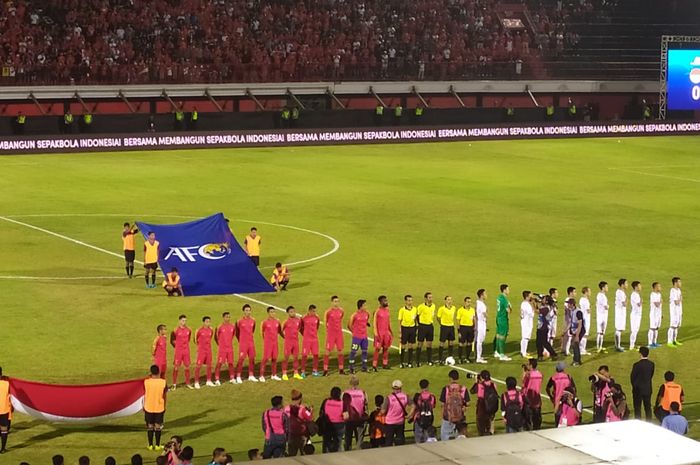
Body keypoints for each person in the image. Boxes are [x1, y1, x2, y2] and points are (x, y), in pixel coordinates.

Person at [381, 380, 413, 446]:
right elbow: (414, 406)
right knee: (400, 441)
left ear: (392, 388)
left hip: (389, 423)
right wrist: (409, 415)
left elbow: (383, 411)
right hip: (400, 422)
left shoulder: (388, 398)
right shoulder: (405, 396)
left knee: (389, 442)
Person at [439, 370, 470, 441]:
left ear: (450, 378)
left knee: (445, 438)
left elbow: (442, 404)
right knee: (459, 439)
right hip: (460, 418)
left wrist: (442, 416)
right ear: (458, 378)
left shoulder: (446, 388)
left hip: (447, 418)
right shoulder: (463, 388)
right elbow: (468, 403)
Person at [144, 365, 167, 451]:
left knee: (150, 426)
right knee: (157, 426)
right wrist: (165, 406)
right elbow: (164, 395)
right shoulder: (163, 382)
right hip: (159, 407)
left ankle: (150, 445)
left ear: (150, 372)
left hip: (149, 406)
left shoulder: (146, 382)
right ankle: (157, 445)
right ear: (159, 372)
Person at [343, 376, 368, 450]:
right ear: (358, 383)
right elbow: (366, 405)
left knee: (348, 439)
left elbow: (342, 406)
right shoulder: (363, 393)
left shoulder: (345, 393)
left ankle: (348, 452)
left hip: (349, 419)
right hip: (360, 419)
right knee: (360, 439)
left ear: (350, 383)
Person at [286, 389, 314, 456]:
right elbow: (311, 418)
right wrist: (311, 411)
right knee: (304, 455)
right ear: (300, 398)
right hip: (302, 436)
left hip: (291, 435)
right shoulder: (303, 409)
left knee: (292, 456)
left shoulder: (286, 409)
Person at [630, 346, 655, 421]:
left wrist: (634, 386)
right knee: (648, 407)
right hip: (647, 389)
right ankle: (649, 423)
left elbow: (632, 377)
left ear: (640, 353)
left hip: (638, 390)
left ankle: (638, 423)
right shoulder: (651, 364)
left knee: (637, 408)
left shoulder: (636, 365)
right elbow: (651, 375)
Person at [470, 370, 498, 436]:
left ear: (482, 378)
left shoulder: (480, 386)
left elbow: (472, 391)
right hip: (491, 409)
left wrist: (476, 382)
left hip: (482, 410)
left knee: (481, 430)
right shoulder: (493, 385)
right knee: (489, 429)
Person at [260, 306, 283, 382]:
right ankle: (261, 376)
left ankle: (274, 375)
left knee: (274, 359)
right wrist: (266, 341)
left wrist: (285, 337)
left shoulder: (277, 321)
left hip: (275, 343)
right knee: (265, 359)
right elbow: (262, 333)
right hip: (268, 344)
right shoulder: (265, 322)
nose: (273, 313)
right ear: (268, 313)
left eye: (274, 312)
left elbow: (280, 331)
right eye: (271, 312)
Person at [324, 296, 345, 376]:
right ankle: (325, 370)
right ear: (332, 302)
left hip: (339, 334)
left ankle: (341, 369)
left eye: (338, 301)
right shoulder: (328, 312)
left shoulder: (341, 311)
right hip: (331, 334)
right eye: (335, 301)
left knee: (340, 351)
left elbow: (341, 318)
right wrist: (329, 331)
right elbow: (325, 322)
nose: (336, 303)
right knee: (327, 351)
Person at [235, 304, 257, 383]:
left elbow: (252, 330)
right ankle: (238, 376)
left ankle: (251, 375)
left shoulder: (253, 320)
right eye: (246, 310)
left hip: (251, 343)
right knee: (241, 359)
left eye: (249, 310)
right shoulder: (239, 321)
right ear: (243, 311)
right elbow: (236, 332)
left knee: (252, 359)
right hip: (243, 344)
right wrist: (240, 340)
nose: (248, 312)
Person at [170, 315, 193, 390]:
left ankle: (188, 383)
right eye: (183, 321)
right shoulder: (175, 330)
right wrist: (177, 347)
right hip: (178, 352)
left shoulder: (189, 330)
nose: (184, 322)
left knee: (187, 367)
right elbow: (172, 340)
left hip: (186, 351)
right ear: (179, 321)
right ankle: (174, 384)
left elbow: (188, 339)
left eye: (185, 321)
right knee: (176, 367)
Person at [348, 299, 370, 373]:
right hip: (356, 338)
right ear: (361, 306)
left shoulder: (367, 314)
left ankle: (364, 367)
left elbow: (366, 321)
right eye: (365, 305)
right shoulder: (354, 315)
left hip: (364, 337)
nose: (366, 306)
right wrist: (354, 333)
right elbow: (349, 325)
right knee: (353, 352)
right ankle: (351, 368)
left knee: (365, 352)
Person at [320, 387, 345, 452]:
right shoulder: (342, 403)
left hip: (328, 424)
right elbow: (346, 416)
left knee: (326, 442)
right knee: (339, 443)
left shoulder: (326, 401)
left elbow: (321, 413)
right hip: (339, 425)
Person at [214, 312, 236, 385]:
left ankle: (232, 378)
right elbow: (215, 337)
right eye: (226, 317)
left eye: (229, 317)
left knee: (231, 363)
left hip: (230, 348)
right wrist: (220, 345)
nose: (228, 318)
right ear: (223, 318)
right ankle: (217, 379)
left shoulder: (232, 326)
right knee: (219, 363)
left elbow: (232, 335)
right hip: (222, 349)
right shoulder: (219, 327)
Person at [282, 306, 303, 380]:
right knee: (286, 358)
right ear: (288, 313)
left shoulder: (298, 320)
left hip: (295, 342)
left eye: (294, 311)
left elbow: (299, 328)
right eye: (291, 312)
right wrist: (285, 337)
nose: (293, 313)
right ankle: (284, 373)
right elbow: (281, 330)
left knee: (296, 358)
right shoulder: (286, 322)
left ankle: (296, 373)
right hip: (288, 343)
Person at [521, 358, 543, 430]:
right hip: (537, 399)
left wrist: (524, 373)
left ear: (531, 365)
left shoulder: (528, 375)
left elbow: (523, 384)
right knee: (537, 420)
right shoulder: (540, 374)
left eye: (528, 364)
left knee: (527, 421)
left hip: (528, 400)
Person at [413, 379, 437, 444]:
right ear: (428, 386)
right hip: (429, 419)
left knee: (418, 439)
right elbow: (433, 406)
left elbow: (415, 407)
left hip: (419, 419)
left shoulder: (417, 396)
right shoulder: (432, 396)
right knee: (428, 438)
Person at [373, 295, 393, 370]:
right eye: (385, 301)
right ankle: (374, 365)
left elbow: (388, 322)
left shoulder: (387, 310)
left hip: (386, 333)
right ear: (380, 302)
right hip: (379, 333)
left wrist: (390, 332)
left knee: (386, 348)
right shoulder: (377, 311)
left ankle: (385, 364)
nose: (386, 302)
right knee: (377, 349)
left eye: (386, 300)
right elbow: (374, 323)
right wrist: (376, 333)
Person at [416, 292, 436, 366]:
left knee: (429, 344)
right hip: (422, 326)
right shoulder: (421, 307)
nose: (431, 299)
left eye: (431, 297)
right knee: (420, 344)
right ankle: (418, 361)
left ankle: (429, 360)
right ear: (425, 298)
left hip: (430, 326)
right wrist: (419, 325)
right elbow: (417, 316)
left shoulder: (433, 306)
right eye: (429, 297)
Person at [194, 316, 214, 389]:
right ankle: (196, 382)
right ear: (203, 322)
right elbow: (195, 340)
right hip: (201, 351)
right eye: (207, 322)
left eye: (209, 321)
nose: (208, 323)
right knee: (198, 366)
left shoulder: (211, 330)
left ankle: (208, 381)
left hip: (208, 350)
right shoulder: (198, 330)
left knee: (209, 365)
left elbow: (210, 337)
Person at [301, 304, 321, 377]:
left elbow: (317, 326)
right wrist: (304, 334)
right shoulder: (304, 318)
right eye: (313, 311)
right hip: (307, 340)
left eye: (315, 311)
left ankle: (315, 371)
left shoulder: (317, 318)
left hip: (314, 339)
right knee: (304, 355)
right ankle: (303, 372)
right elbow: (300, 327)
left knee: (316, 355)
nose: (314, 312)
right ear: (309, 310)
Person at [398, 295, 418, 368]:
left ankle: (409, 362)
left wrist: (416, 329)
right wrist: (400, 331)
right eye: (409, 300)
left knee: (410, 346)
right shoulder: (402, 310)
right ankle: (402, 362)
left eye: (411, 300)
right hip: (405, 328)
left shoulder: (415, 309)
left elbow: (416, 320)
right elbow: (400, 321)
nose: (410, 302)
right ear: (406, 301)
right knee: (403, 346)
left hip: (412, 328)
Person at [536, 296, 557, 360]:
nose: (542, 300)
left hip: (544, 327)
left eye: (544, 299)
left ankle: (553, 354)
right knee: (539, 342)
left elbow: (537, 311)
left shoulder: (547, 308)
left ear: (547, 301)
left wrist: (532, 303)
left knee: (544, 342)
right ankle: (540, 356)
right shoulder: (546, 307)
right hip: (541, 326)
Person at [495, 284, 512, 361]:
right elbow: (508, 310)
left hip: (498, 318)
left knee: (498, 335)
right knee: (502, 336)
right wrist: (510, 307)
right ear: (504, 290)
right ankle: (502, 354)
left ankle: (497, 351)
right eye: (508, 289)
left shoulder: (499, 297)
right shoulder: (504, 299)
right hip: (503, 319)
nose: (509, 291)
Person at [437, 296, 457, 363]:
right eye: (448, 300)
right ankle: (440, 358)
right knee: (442, 342)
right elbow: (438, 318)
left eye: (451, 300)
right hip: (444, 327)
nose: (450, 301)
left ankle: (450, 356)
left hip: (451, 326)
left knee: (451, 342)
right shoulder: (441, 309)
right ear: (445, 301)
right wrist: (442, 324)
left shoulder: (453, 308)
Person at [456, 296, 475, 363]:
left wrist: (474, 328)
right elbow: (458, 321)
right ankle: (460, 358)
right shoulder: (460, 310)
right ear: (464, 302)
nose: (469, 303)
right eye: (468, 302)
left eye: (470, 302)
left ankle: (467, 357)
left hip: (470, 328)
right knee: (461, 343)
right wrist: (459, 331)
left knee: (469, 343)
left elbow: (473, 319)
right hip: (463, 328)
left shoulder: (472, 310)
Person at [614, 278, 628, 352]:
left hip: (621, 312)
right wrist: (626, 300)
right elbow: (624, 304)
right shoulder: (620, 292)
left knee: (619, 329)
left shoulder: (621, 292)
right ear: (622, 285)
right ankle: (617, 346)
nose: (627, 285)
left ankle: (618, 345)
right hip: (620, 313)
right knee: (618, 329)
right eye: (626, 283)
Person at [561, 287, 576, 355]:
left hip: (569, 319)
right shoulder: (568, 300)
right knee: (569, 335)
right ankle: (566, 351)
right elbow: (566, 308)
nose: (575, 293)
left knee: (567, 335)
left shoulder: (570, 300)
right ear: (570, 292)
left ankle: (564, 349)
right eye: (574, 292)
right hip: (568, 320)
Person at [569, 300, 584, 366]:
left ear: (573, 304)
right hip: (574, 330)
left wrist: (577, 335)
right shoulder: (572, 311)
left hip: (579, 331)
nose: (568, 305)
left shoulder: (578, 312)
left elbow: (580, 324)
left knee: (575, 345)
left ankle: (577, 361)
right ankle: (576, 360)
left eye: (569, 304)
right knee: (574, 345)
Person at [668, 277, 683, 346]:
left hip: (679, 311)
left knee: (676, 326)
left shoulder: (679, 290)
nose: (680, 283)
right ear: (675, 283)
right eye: (679, 282)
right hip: (674, 311)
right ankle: (669, 342)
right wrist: (680, 299)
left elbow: (679, 301)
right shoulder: (672, 291)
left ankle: (675, 340)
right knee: (672, 326)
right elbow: (676, 302)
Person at [520, 291, 535, 358]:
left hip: (525, 322)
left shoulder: (523, 304)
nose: (531, 296)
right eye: (530, 295)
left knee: (525, 338)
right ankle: (523, 353)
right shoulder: (526, 305)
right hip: (526, 323)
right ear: (527, 296)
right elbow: (532, 314)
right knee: (525, 338)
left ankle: (523, 351)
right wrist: (533, 306)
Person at [475, 289, 488, 364]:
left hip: (481, 323)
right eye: (485, 294)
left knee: (480, 340)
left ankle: (479, 355)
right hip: (481, 323)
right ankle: (478, 357)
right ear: (481, 295)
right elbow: (484, 313)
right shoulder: (481, 304)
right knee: (480, 341)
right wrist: (487, 316)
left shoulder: (479, 303)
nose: (486, 295)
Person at [596, 281, 609, 353]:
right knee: (600, 332)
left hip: (602, 315)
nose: (607, 288)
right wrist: (608, 306)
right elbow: (606, 307)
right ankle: (598, 348)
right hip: (601, 315)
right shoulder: (601, 296)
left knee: (602, 332)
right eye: (606, 287)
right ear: (603, 288)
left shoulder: (600, 295)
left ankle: (600, 347)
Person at [648, 282, 662, 348]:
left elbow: (659, 306)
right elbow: (657, 304)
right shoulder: (652, 294)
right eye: (659, 286)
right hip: (653, 314)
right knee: (652, 328)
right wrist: (661, 302)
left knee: (656, 328)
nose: (660, 287)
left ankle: (655, 342)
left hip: (658, 314)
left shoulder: (659, 294)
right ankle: (650, 343)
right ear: (655, 287)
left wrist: (661, 314)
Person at [629, 281, 643, 350]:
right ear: (636, 287)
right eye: (639, 286)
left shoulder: (637, 294)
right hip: (635, 315)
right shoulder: (634, 294)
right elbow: (638, 304)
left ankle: (633, 344)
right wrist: (641, 301)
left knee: (636, 330)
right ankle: (631, 346)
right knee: (634, 330)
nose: (641, 287)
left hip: (638, 315)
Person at [579, 286, 592, 355]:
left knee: (584, 334)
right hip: (586, 319)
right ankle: (582, 350)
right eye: (589, 291)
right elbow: (589, 310)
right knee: (585, 334)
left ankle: (582, 349)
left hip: (584, 318)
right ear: (586, 292)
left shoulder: (581, 299)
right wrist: (590, 308)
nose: (590, 293)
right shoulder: (585, 300)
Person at [0, 367, 10, 453]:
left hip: (4, 410)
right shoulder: (7, 383)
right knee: (4, 430)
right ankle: (3, 449)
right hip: (4, 410)